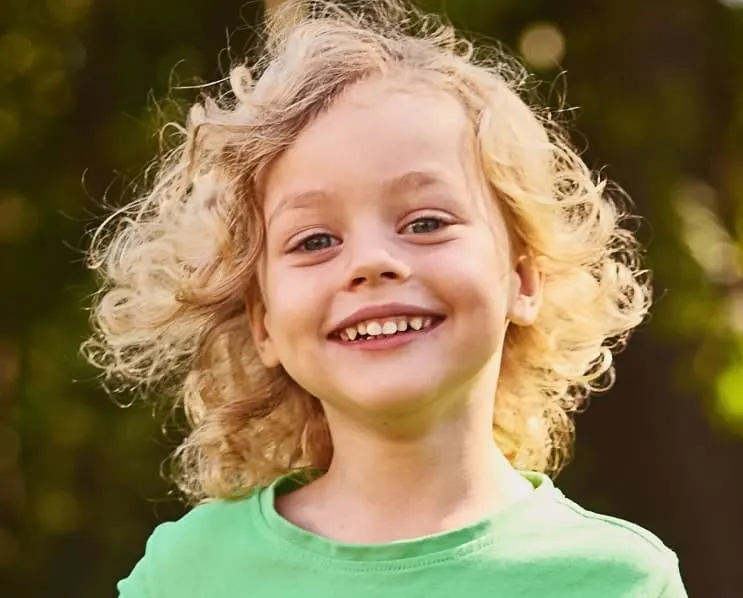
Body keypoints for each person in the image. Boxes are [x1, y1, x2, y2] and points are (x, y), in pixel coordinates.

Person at [82, 0, 688, 596]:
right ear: (263, 323)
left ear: (523, 280)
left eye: (426, 222)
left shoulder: (617, 579)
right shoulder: (189, 574)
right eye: (315, 240)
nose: (371, 262)